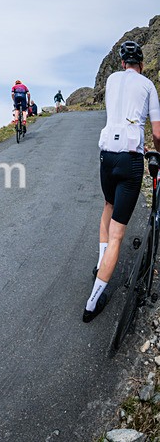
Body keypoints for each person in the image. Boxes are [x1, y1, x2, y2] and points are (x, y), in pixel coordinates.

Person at [84, 41, 160, 322]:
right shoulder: (148, 86)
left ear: (122, 64)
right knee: (118, 234)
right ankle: (92, 302)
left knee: (108, 204)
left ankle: (100, 262)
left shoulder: (112, 80)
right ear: (140, 64)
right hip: (129, 159)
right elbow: (156, 131)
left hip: (106, 155)